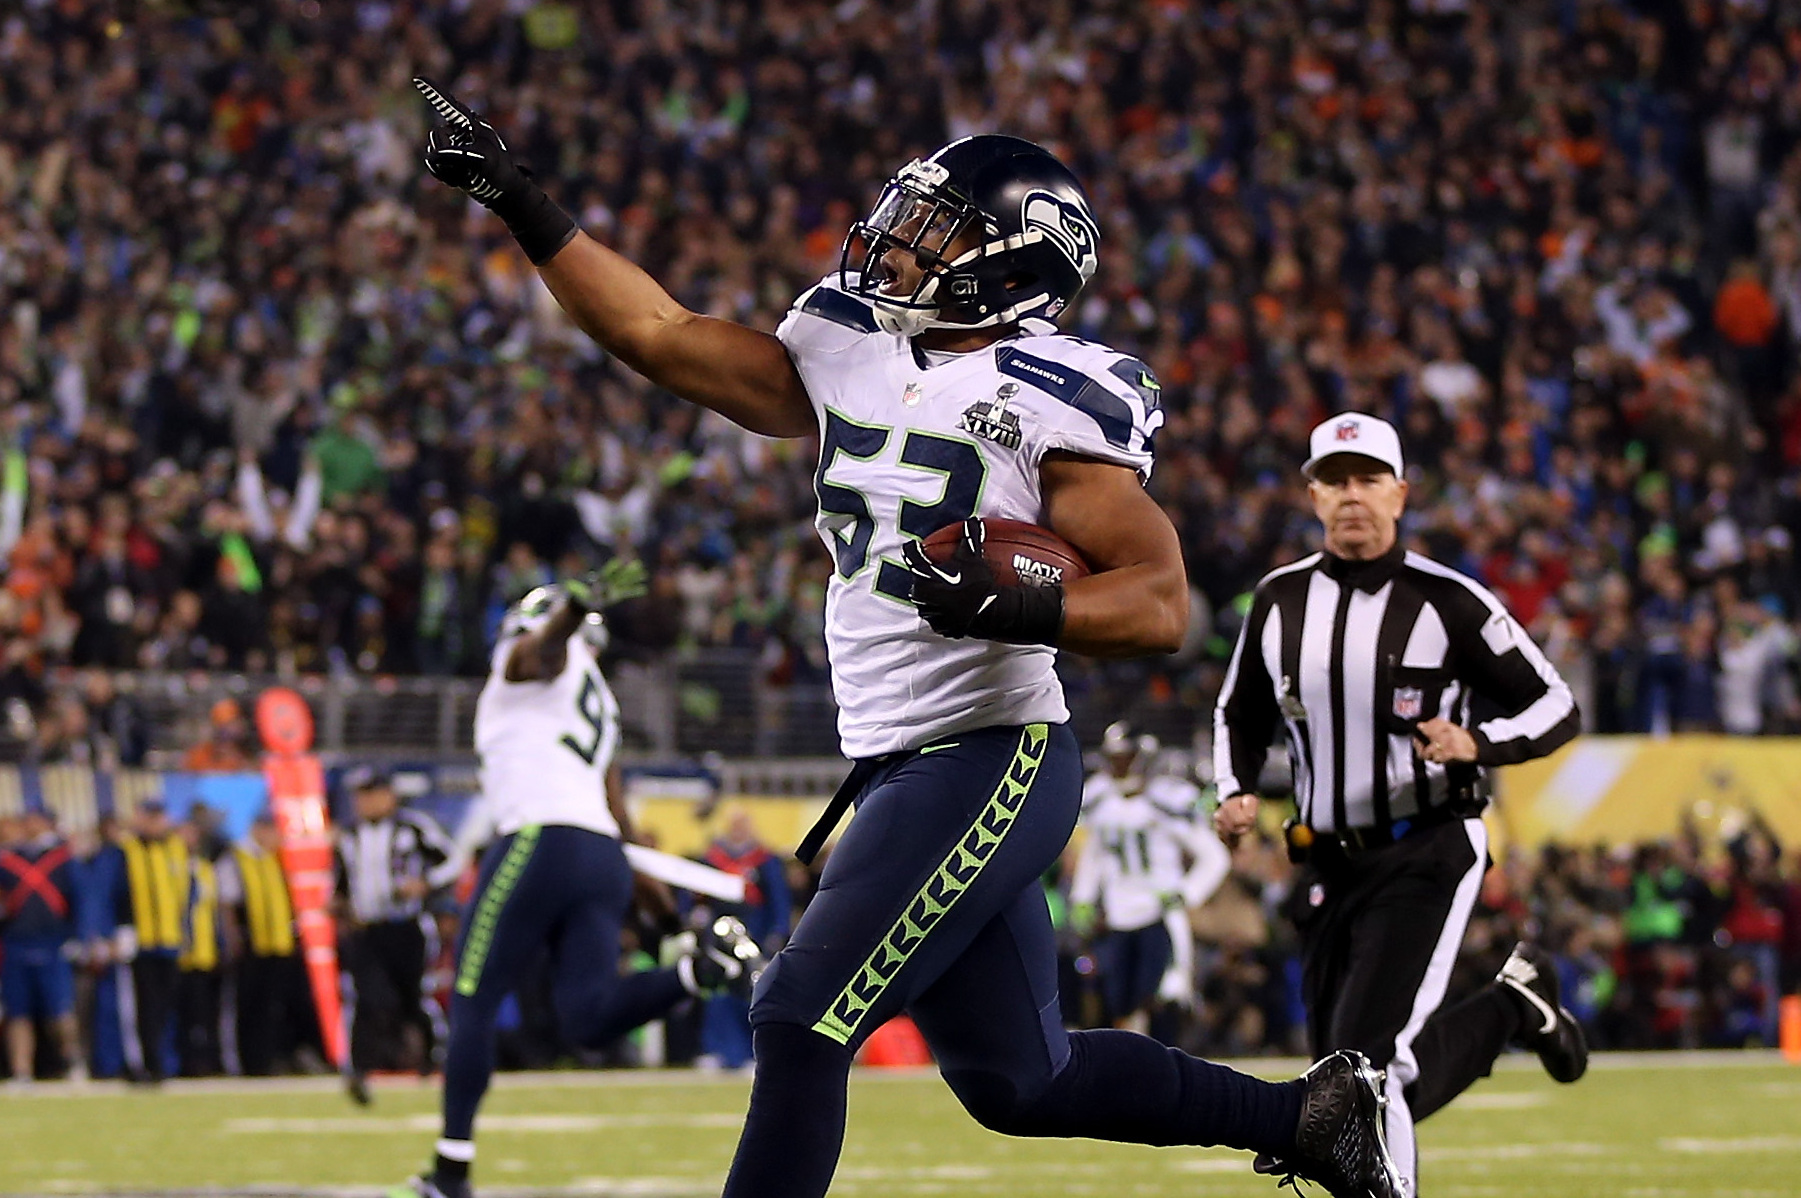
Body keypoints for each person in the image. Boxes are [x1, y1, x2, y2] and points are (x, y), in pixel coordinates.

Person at [413, 79, 1401, 1198]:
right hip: (897, 762)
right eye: (910, 213)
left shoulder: (1050, 393)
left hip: (994, 750)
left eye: (940, 227)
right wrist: (517, 199)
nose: (898, 240)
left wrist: (1021, 605)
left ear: (1017, 260)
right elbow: (658, 331)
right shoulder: (849, 345)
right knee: (1023, 1082)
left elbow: (1158, 601)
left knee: (795, 1014)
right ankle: (1315, 1116)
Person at [1212, 413, 1591, 1196]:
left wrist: (1477, 743)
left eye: (1367, 479)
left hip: (1426, 844)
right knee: (1334, 1085)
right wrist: (1235, 788)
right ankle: (1511, 1009)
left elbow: (1556, 706)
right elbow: (1237, 713)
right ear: (1311, 495)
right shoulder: (1278, 599)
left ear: (1400, 493)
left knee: (1364, 1066)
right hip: (1322, 857)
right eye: (1335, 480)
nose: (1352, 496)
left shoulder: (1450, 601)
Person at [408, 571, 761, 1198]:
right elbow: (621, 829)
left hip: (537, 841)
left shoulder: (537, 665)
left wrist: (569, 608)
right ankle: (698, 974)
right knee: (589, 1018)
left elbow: (536, 655)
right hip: (599, 858)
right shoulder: (599, 708)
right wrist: (676, 928)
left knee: (473, 1000)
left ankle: (450, 1173)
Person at [1070, 724, 1230, 1029]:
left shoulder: (1166, 800)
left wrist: (1186, 892)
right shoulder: (1101, 799)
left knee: (1161, 998)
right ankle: (1132, 1065)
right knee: (1118, 1000)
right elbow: (1095, 854)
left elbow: (1214, 856)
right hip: (1116, 914)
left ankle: (1161, 1064)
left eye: (1126, 757)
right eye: (1114, 757)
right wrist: (1083, 898)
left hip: (1159, 914)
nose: (1119, 765)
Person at [332, 766, 457, 1103]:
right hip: (367, 928)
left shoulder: (413, 827)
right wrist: (339, 906)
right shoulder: (348, 835)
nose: (364, 803)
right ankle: (359, 1069)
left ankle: (436, 1058)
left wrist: (426, 884)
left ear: (388, 794)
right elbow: (342, 882)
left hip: (407, 926)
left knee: (414, 995)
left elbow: (453, 860)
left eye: (370, 794)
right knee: (369, 997)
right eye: (359, 796)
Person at [218, 812, 317, 1075]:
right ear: (259, 829)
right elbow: (227, 903)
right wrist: (233, 939)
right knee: (250, 1006)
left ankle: (273, 1058)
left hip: (280, 944)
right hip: (252, 945)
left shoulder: (277, 858)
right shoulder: (237, 858)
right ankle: (250, 1062)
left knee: (277, 1007)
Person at [698, 808, 792, 1070]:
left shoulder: (764, 861)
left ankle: (752, 1053)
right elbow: (699, 897)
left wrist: (778, 931)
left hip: (755, 933)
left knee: (753, 993)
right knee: (719, 993)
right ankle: (717, 1050)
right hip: (721, 936)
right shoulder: (714, 858)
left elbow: (778, 899)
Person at [0, 807, 85, 1083]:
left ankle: (73, 1061)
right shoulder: (10, 858)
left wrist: (78, 937)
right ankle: (21, 1069)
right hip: (16, 941)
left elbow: (81, 900)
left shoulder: (64, 857)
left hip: (53, 941)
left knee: (59, 1010)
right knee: (17, 1011)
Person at [116, 799, 189, 1083]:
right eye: (151, 817)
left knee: (164, 1006)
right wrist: (121, 929)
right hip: (139, 941)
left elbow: (184, 894)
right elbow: (116, 890)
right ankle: (141, 1065)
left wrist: (185, 932)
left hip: (169, 939)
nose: (156, 822)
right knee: (140, 1007)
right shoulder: (125, 850)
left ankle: (162, 1064)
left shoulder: (175, 848)